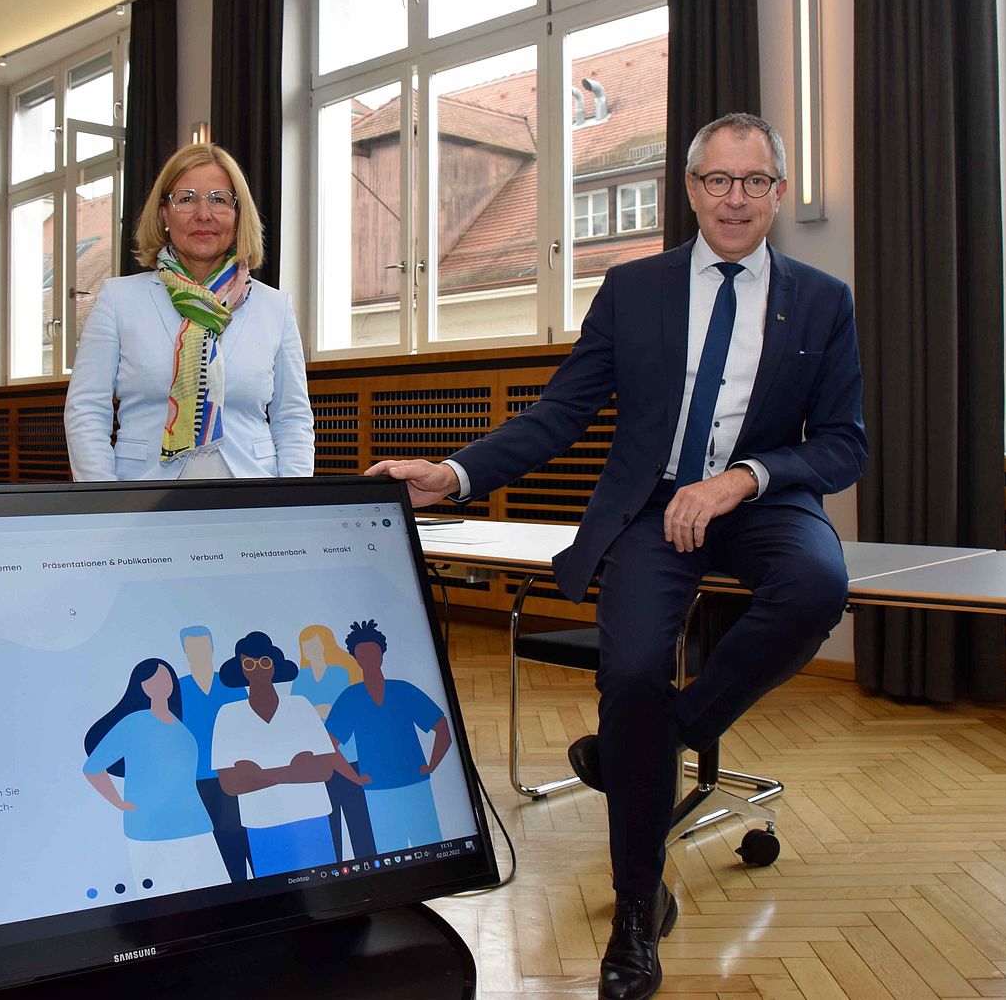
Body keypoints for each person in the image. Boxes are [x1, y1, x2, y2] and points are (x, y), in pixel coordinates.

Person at [367, 112, 867, 1000]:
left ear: (779, 193)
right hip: (649, 503)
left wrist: (744, 476)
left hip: (761, 501)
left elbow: (841, 444)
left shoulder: (822, 299)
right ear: (690, 187)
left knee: (817, 585)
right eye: (718, 179)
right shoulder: (634, 288)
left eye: (754, 182)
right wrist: (454, 470)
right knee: (631, 675)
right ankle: (637, 904)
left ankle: (662, 741)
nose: (735, 197)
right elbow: (562, 412)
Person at [64, 142, 314, 481]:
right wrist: (106, 502)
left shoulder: (275, 307)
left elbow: (292, 417)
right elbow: (86, 411)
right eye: (186, 198)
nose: (203, 214)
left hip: (254, 500)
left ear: (238, 215)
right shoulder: (118, 300)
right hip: (142, 500)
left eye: (219, 199)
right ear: (164, 214)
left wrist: (293, 501)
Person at [212, 631, 364, 876]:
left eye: (264, 662)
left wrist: (259, 774)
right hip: (261, 824)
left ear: (274, 666)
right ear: (242, 670)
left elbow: (323, 768)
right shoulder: (228, 715)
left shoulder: (300, 706)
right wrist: (293, 770)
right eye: (249, 664)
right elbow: (230, 783)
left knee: (326, 888)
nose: (258, 669)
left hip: (312, 817)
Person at [82, 657, 229, 895]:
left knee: (218, 899)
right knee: (165, 909)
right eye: (153, 680)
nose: (160, 684)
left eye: (165, 678)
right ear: (141, 686)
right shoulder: (134, 723)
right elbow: (93, 768)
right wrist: (118, 803)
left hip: (195, 825)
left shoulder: (180, 725)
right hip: (150, 833)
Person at [324, 619, 451, 853]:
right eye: (362, 654)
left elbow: (442, 727)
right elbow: (329, 746)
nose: (369, 659)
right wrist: (355, 778)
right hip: (377, 793)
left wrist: (431, 765)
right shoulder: (351, 697)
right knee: (390, 853)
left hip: (416, 785)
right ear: (355, 658)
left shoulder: (403, 690)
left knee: (431, 849)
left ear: (382, 653)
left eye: (373, 652)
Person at [174, 625, 253, 882]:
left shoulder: (231, 684)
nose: (199, 653)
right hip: (201, 780)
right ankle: (240, 889)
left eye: (203, 647)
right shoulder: (179, 690)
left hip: (236, 774)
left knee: (249, 832)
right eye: (193, 648)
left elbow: (246, 726)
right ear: (185, 652)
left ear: (212, 648)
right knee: (223, 836)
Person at [291, 624, 375, 860]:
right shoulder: (301, 679)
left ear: (325, 645)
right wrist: (318, 712)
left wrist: (324, 711)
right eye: (307, 647)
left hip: (349, 756)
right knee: (328, 825)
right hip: (318, 762)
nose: (312, 651)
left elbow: (349, 708)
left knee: (359, 820)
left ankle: (369, 864)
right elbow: (298, 714)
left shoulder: (340, 672)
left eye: (315, 645)